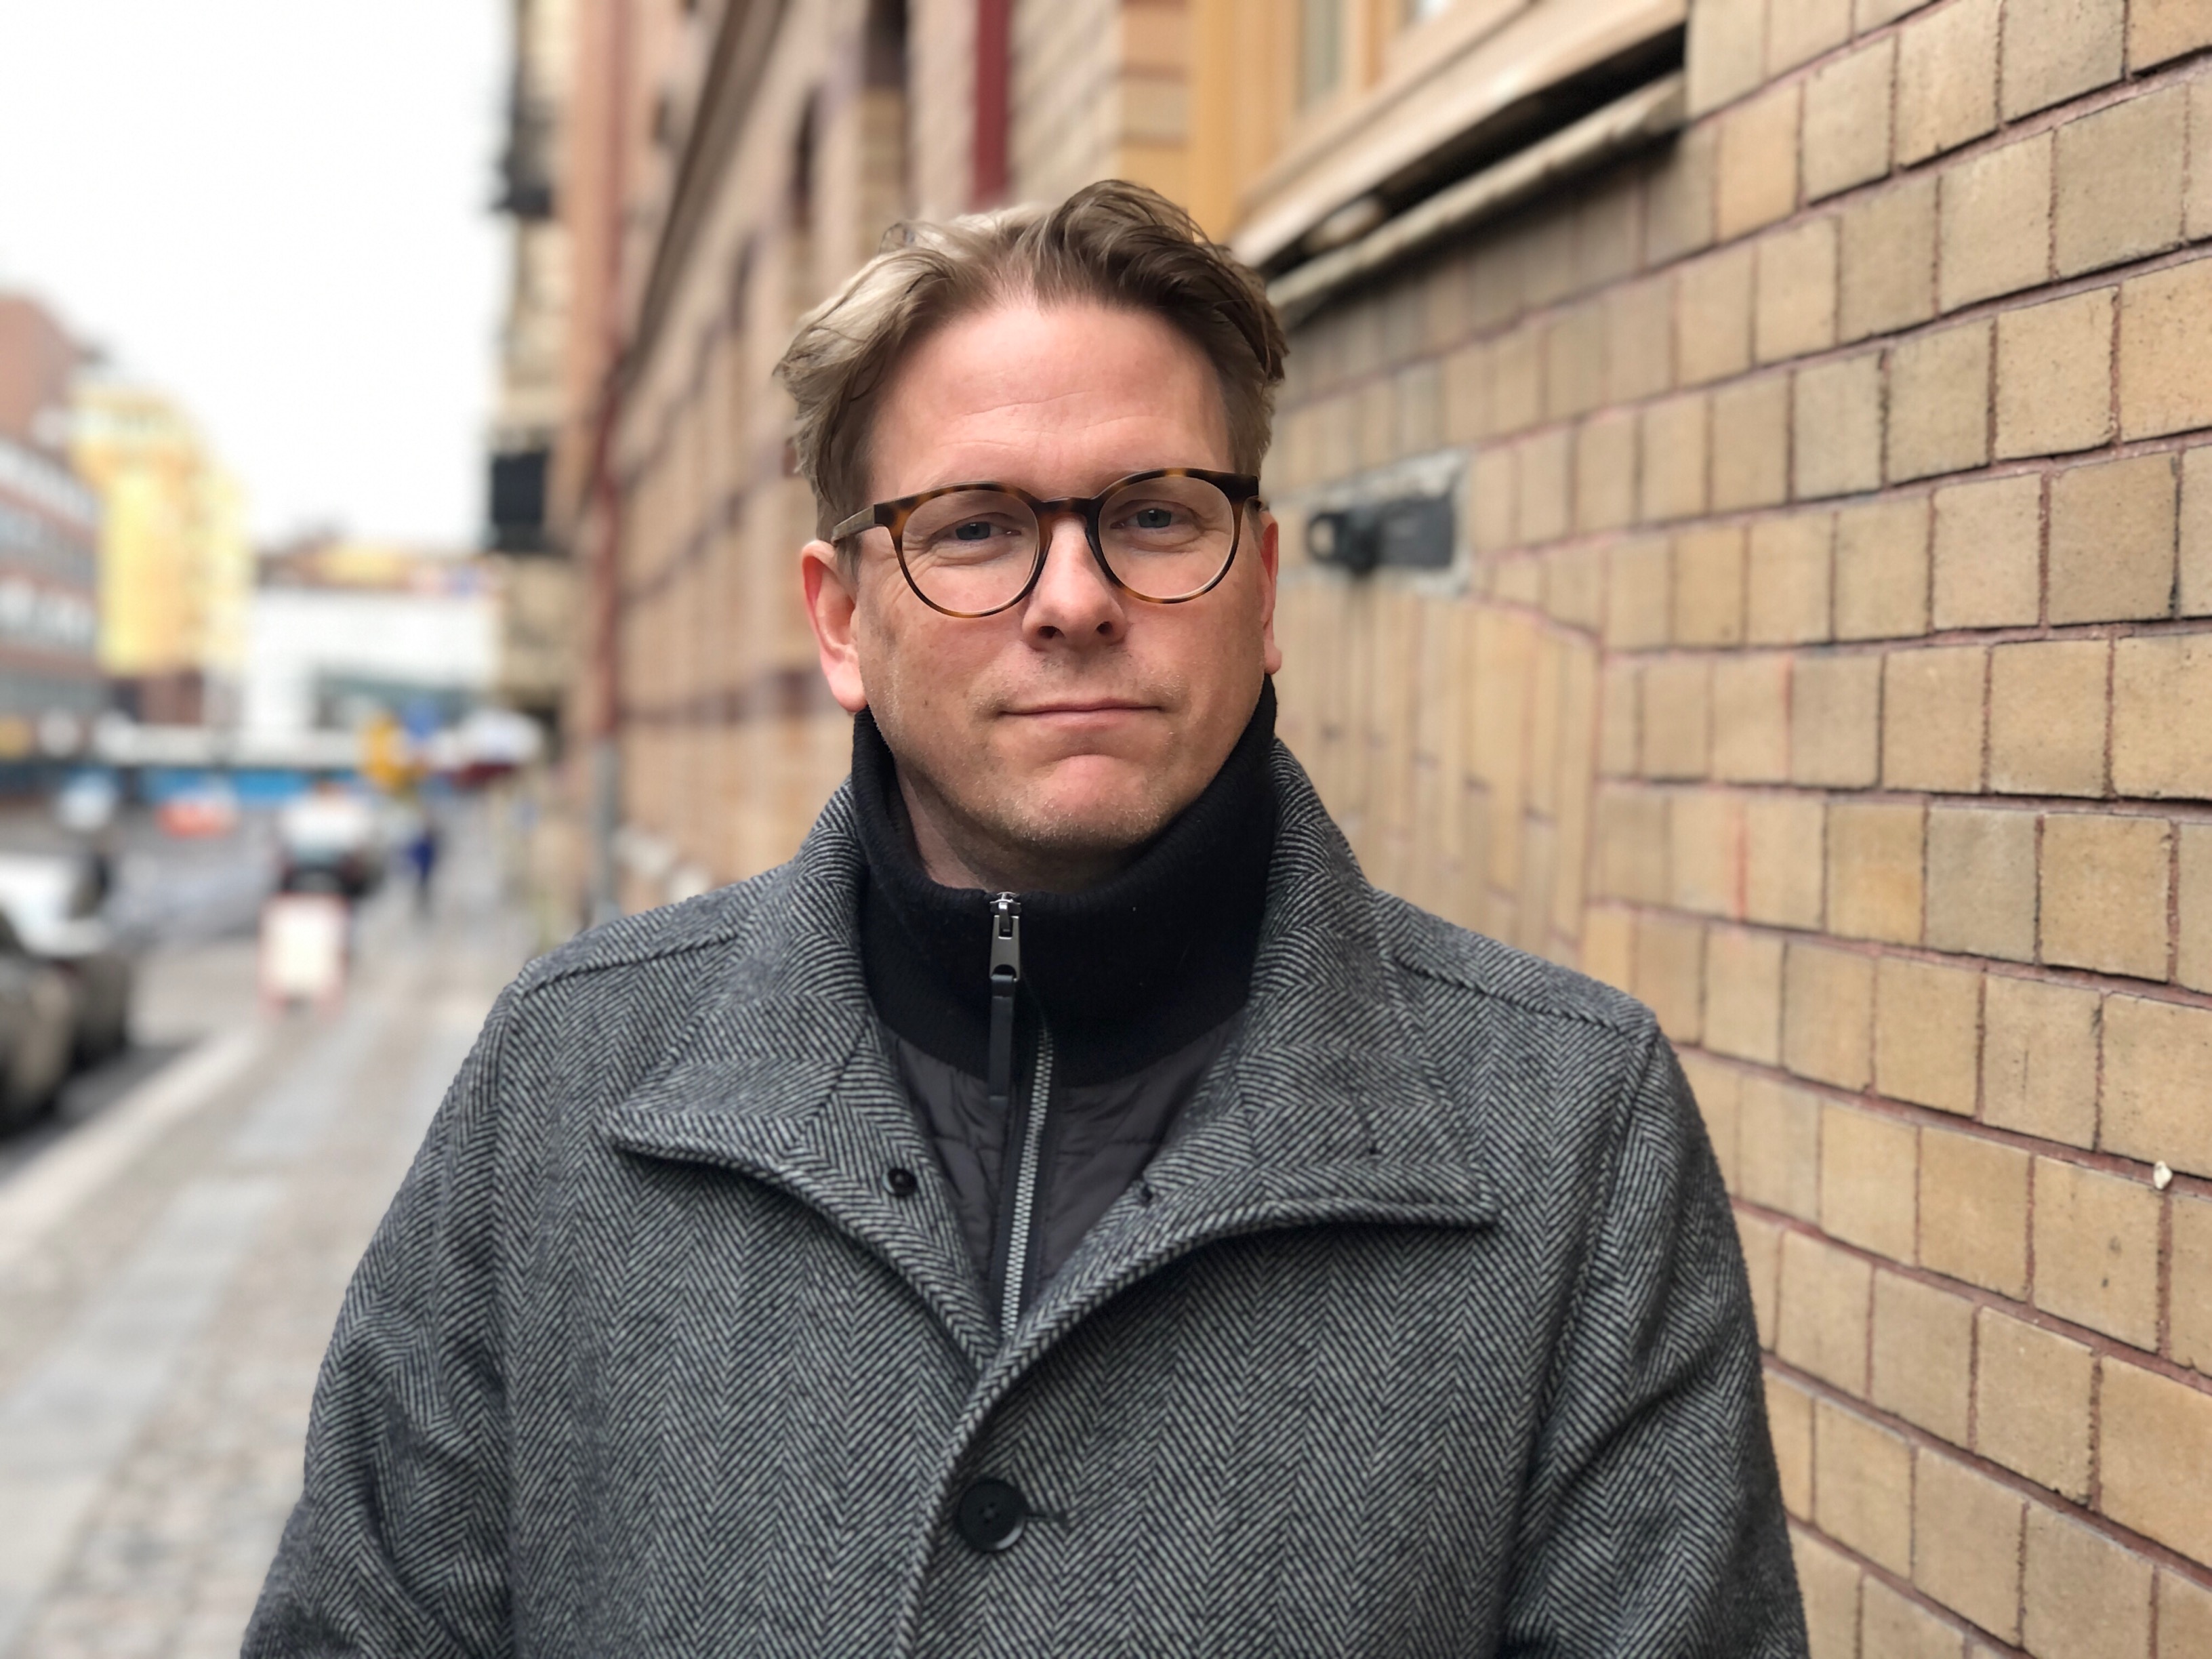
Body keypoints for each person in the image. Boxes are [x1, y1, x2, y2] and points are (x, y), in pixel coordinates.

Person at [247, 182, 1805, 1657]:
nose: (1074, 599)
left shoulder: (1568, 1130)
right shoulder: (571, 1074)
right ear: (842, 620)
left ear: (1262, 588)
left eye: (1156, 515)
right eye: (977, 527)